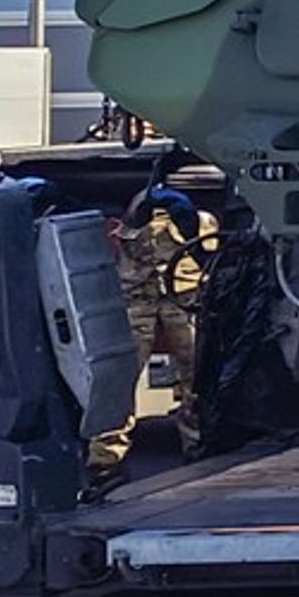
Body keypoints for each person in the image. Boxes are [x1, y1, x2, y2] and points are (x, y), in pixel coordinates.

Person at [84, 184, 209, 494]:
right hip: (146, 297)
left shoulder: (193, 219)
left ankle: (198, 447)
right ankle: (106, 461)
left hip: (179, 296)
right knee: (119, 379)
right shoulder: (142, 216)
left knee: (196, 373)